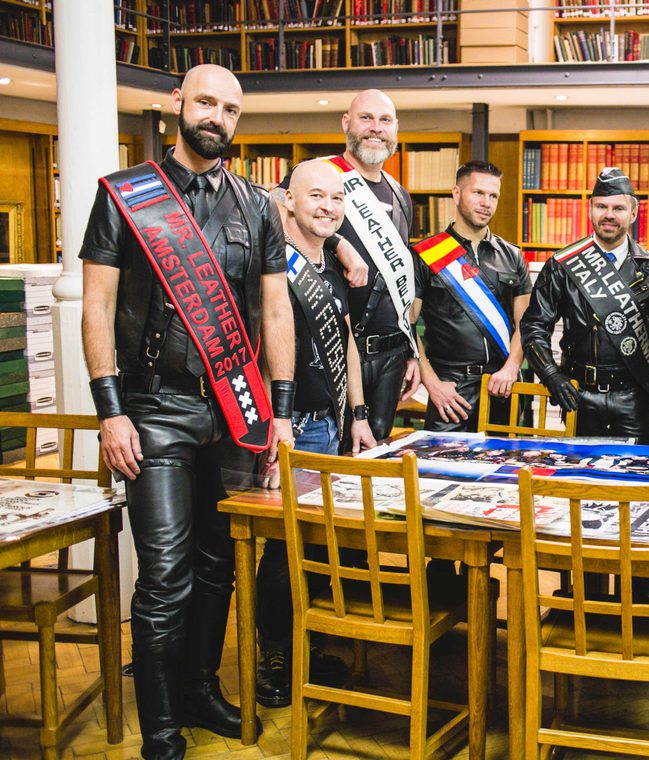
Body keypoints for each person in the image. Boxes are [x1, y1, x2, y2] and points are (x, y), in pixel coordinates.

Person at [80, 64, 295, 759]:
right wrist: (110, 411)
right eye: (207, 102)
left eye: (231, 108)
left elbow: (273, 307)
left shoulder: (258, 205)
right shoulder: (126, 196)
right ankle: (162, 728)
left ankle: (201, 690)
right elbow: (96, 306)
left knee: (217, 566)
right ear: (178, 103)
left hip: (232, 410)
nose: (218, 118)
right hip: (154, 408)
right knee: (165, 574)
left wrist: (281, 411)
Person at [254, 160, 378, 708]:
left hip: (329, 426)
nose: (327, 207)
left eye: (336, 199)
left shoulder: (330, 265)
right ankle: (275, 658)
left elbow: (347, 341)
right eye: (315, 197)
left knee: (316, 548)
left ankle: (307, 646)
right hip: (287, 430)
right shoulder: (270, 261)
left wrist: (357, 414)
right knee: (282, 551)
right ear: (287, 199)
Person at [277, 89, 420, 441]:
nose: (376, 128)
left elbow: (399, 280)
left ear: (396, 129)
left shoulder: (400, 195)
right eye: (366, 118)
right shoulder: (319, 174)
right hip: (335, 348)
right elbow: (272, 210)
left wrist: (412, 351)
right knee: (334, 455)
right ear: (346, 123)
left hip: (390, 356)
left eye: (385, 120)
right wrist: (338, 242)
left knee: (376, 458)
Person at [521, 167, 649, 444]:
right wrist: (550, 375)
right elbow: (534, 326)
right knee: (579, 481)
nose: (609, 214)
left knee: (635, 481)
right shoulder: (561, 265)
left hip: (635, 396)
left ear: (633, 214)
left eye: (618, 208)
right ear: (590, 209)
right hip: (579, 395)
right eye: (601, 206)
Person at [411, 160, 531, 431]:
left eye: (493, 196)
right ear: (456, 193)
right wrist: (431, 383)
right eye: (478, 193)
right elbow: (406, 325)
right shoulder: (425, 255)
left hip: (502, 386)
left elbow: (527, 323)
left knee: (506, 471)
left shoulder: (512, 256)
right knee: (443, 471)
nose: (486, 202)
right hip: (450, 390)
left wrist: (512, 368)